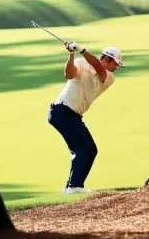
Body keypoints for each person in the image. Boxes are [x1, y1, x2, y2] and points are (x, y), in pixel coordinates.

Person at [48, 40, 124, 194]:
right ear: (107, 59)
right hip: (61, 111)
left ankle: (71, 186)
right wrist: (71, 54)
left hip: (73, 115)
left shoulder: (108, 77)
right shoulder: (81, 63)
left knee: (91, 150)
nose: (116, 68)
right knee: (81, 148)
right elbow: (69, 74)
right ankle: (75, 187)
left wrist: (82, 49)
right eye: (115, 63)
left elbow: (97, 67)